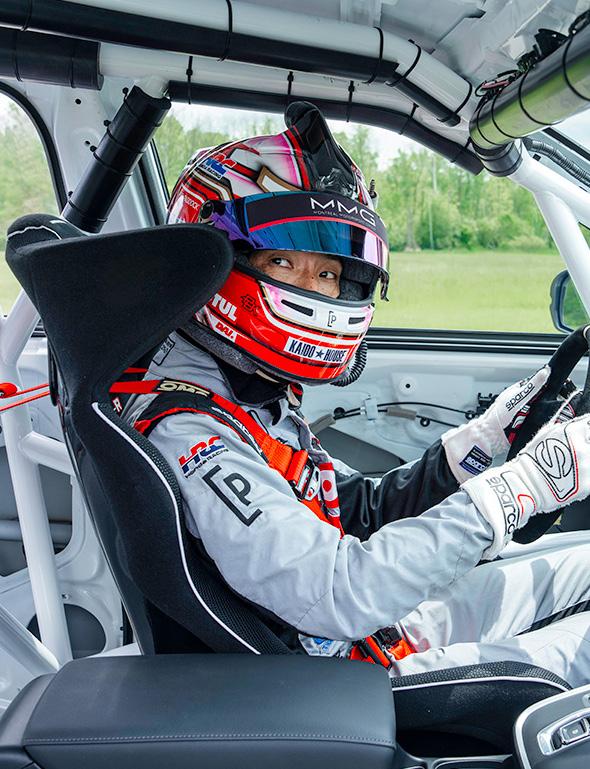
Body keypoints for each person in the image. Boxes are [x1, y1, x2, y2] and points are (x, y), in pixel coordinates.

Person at [123, 101, 590, 685]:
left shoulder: (248, 395)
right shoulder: (190, 427)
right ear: (208, 264)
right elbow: (336, 593)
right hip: (337, 690)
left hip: (362, 642)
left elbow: (355, 512)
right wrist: (524, 487)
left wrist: (483, 442)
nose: (316, 290)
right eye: (283, 260)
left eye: (328, 273)